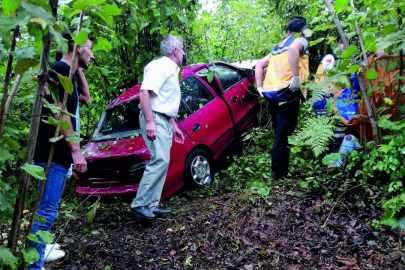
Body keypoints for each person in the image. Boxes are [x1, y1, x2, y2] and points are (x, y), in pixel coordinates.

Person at [29, 29, 94, 270]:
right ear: (78, 48)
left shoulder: (68, 72)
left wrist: (78, 66)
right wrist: (76, 151)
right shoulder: (59, 68)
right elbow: (58, 111)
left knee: (48, 209)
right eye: (90, 49)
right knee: (46, 210)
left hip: (58, 156)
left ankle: (35, 261)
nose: (93, 55)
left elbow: (86, 98)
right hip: (50, 154)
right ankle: (33, 266)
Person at [129, 34, 185, 220]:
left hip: (164, 119)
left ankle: (150, 206)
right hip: (154, 118)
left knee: (163, 161)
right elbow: (144, 93)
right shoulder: (159, 66)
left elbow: (162, 101)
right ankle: (139, 205)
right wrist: (151, 121)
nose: (184, 53)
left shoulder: (170, 69)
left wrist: (173, 125)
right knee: (159, 159)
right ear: (175, 50)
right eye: (182, 49)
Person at [255, 16, 309, 180]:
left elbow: (259, 65)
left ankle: (280, 171)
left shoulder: (279, 46)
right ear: (303, 30)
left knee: (280, 133)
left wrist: (259, 88)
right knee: (283, 134)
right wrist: (295, 79)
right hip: (288, 92)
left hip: (272, 95)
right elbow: (294, 50)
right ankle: (279, 174)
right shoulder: (300, 40)